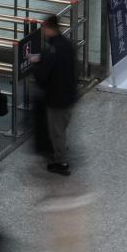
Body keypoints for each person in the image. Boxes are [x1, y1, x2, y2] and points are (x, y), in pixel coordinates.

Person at [32, 16, 76, 176]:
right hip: (68, 94)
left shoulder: (51, 50)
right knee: (61, 127)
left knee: (56, 131)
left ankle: (61, 162)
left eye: (44, 28)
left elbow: (42, 75)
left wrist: (36, 64)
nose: (44, 32)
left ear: (49, 28)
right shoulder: (67, 44)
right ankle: (60, 151)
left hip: (56, 97)